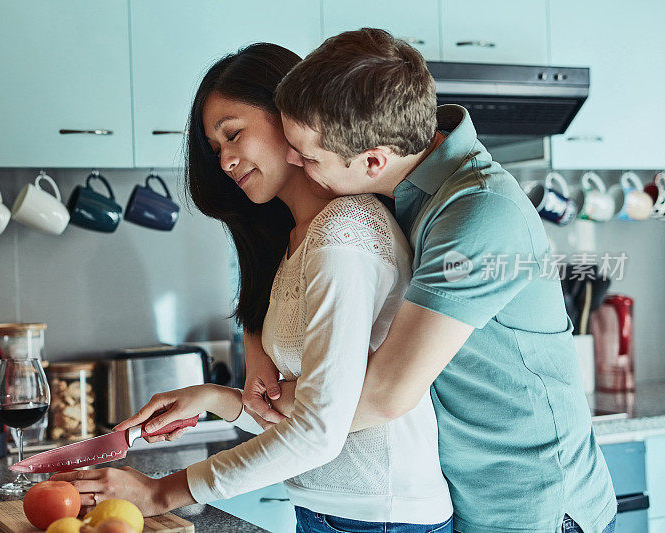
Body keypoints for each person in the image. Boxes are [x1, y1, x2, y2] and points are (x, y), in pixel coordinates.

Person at [51, 42, 454, 533]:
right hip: (332, 512)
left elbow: (320, 430)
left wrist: (162, 491)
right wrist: (214, 399)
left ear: (290, 117)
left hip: (383, 517)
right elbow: (298, 412)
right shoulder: (294, 242)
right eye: (216, 148)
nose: (224, 160)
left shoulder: (343, 234)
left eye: (233, 134)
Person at [240, 28, 616, 533]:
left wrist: (249, 409)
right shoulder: (408, 188)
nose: (293, 161)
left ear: (374, 159)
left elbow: (385, 395)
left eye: (307, 156)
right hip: (473, 502)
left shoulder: (479, 212)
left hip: (534, 508)